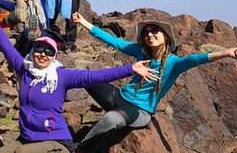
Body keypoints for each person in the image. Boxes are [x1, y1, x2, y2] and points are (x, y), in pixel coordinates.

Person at [0, 4, 154, 153]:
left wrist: (130, 69)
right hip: (27, 138)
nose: (42, 54)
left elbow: (95, 76)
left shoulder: (61, 76)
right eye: (39, 48)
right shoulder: (24, 69)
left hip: (56, 142)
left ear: (54, 56)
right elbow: (7, 46)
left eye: (49, 51)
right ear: (33, 51)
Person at [71, 12, 237, 150]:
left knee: (110, 119)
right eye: (146, 33)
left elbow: (196, 59)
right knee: (84, 77)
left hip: (140, 111)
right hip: (118, 97)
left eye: (155, 31)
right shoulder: (141, 52)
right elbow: (115, 42)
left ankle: (81, 147)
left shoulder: (173, 63)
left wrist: (227, 53)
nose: (150, 34)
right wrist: (83, 22)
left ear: (165, 37)